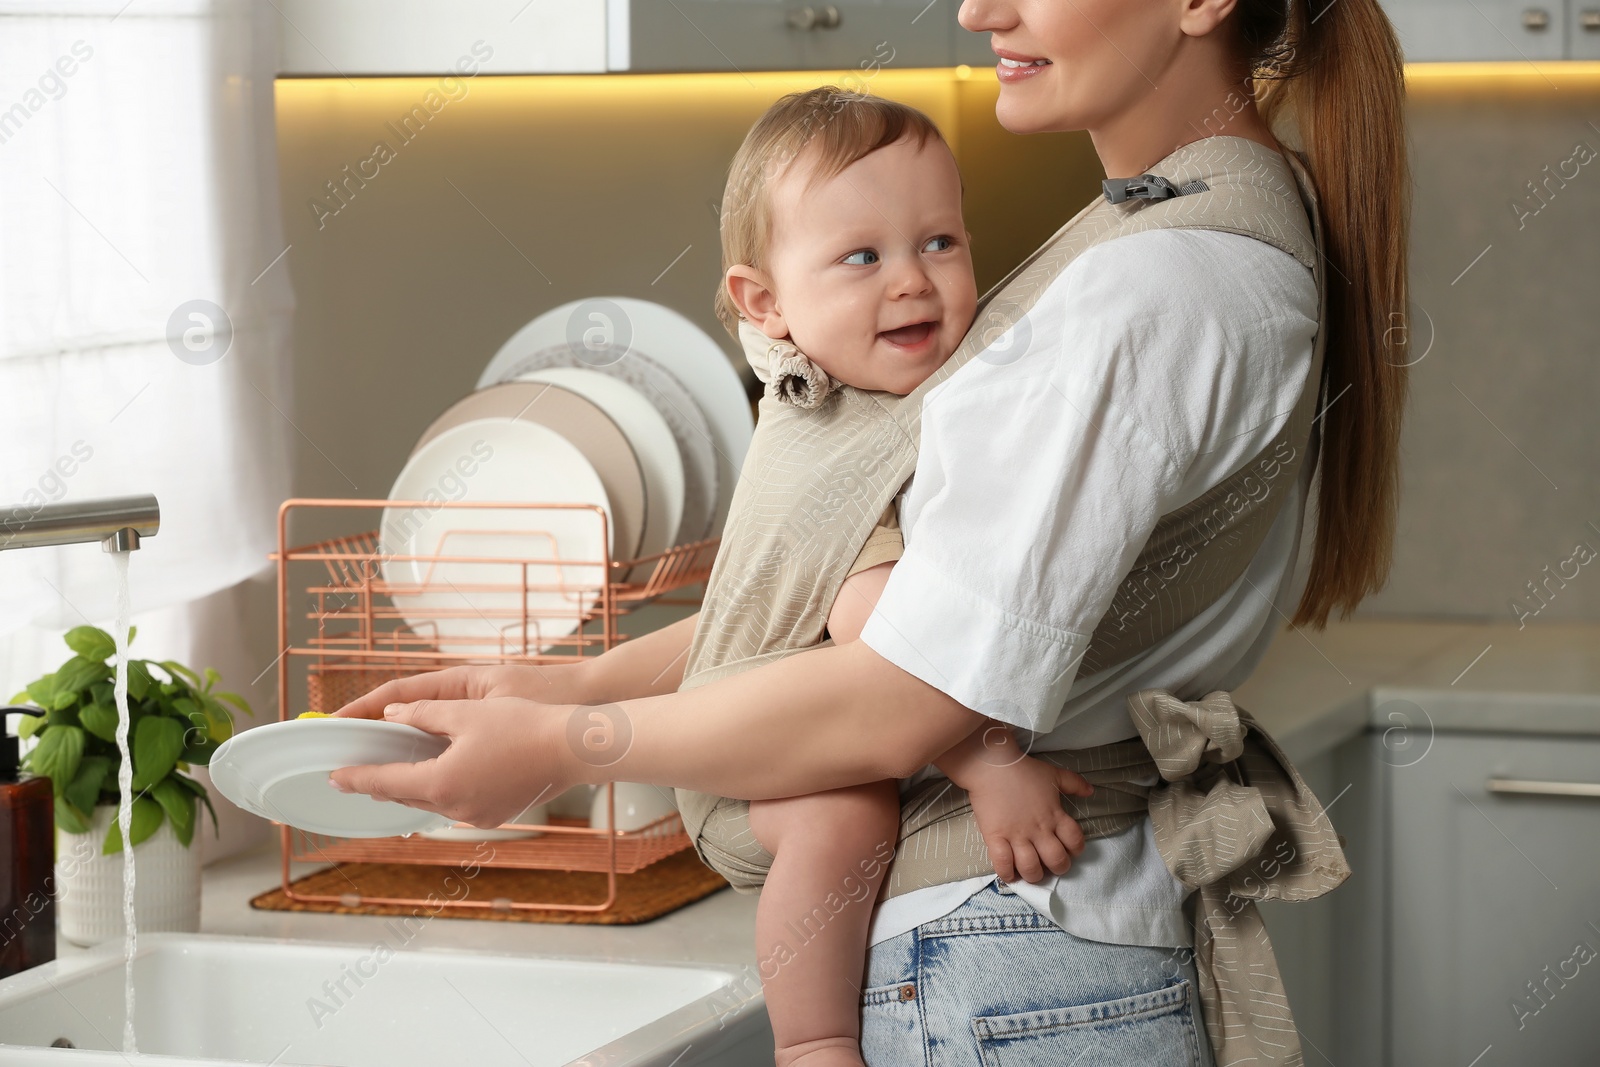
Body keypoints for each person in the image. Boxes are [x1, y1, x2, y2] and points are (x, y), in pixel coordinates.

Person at [331, 0, 1409, 1062]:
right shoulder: (1187, 223)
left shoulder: (1149, 284)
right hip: (1050, 939)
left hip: (1008, 949)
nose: (979, 8)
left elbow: (907, 692)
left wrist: (564, 747)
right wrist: (572, 688)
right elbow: (851, 607)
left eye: (938, 240)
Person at [667, 87, 1094, 1067]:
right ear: (765, 303)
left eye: (938, 242)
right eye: (861, 257)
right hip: (750, 753)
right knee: (846, 811)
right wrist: (990, 762)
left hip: (800, 713)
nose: (911, 280)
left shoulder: (859, 388)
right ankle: (811, 1041)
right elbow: (886, 632)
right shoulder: (834, 437)